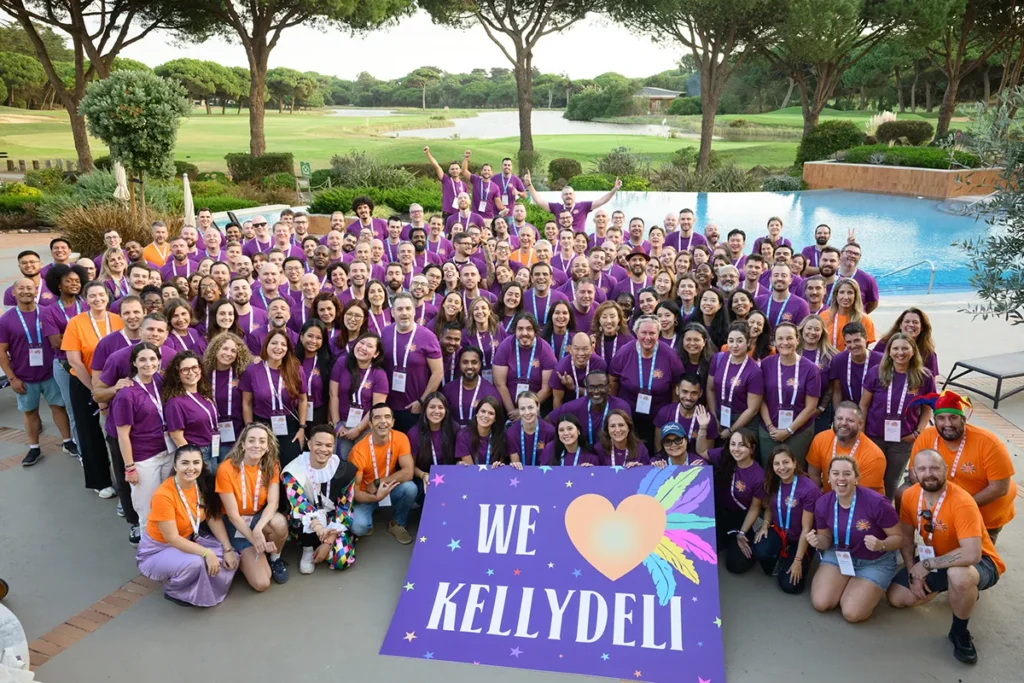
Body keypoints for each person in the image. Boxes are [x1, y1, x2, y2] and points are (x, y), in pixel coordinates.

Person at [886, 450, 1005, 664]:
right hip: (939, 558)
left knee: (960, 576)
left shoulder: (962, 501)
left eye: (935, 468)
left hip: (980, 563)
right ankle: (955, 591)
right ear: (913, 473)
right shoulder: (910, 496)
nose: (928, 473)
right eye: (922, 469)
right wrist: (914, 569)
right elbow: (905, 536)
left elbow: (972, 553)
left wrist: (928, 565)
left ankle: (959, 632)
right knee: (897, 598)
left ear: (946, 470)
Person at [136, 444, 238, 607]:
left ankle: (199, 581)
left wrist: (227, 548)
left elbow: (212, 517)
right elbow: (173, 539)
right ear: (175, 465)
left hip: (189, 539)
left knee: (230, 555)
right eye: (185, 463)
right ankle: (175, 590)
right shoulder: (163, 495)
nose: (191, 468)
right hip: (158, 549)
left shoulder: (200, 485)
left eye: (196, 462)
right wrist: (206, 553)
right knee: (196, 562)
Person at [906, 391, 1016, 542]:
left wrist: (957, 507)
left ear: (964, 419)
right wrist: (934, 501)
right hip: (942, 501)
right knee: (903, 493)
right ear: (935, 420)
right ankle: (906, 538)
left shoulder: (989, 443)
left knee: (972, 559)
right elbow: (913, 472)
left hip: (984, 511)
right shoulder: (927, 436)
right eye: (941, 418)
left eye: (953, 417)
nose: (947, 424)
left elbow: (999, 488)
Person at [805, 456, 902, 623]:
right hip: (839, 555)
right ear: (828, 478)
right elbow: (826, 538)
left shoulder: (877, 502)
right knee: (821, 603)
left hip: (875, 561)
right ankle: (849, 584)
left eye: (847, 473)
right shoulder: (823, 503)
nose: (840, 478)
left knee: (852, 613)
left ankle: (865, 587)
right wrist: (817, 541)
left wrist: (882, 544)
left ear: (856, 478)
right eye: (835, 473)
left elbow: (899, 538)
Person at [0, 278, 74, 467]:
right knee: (30, 411)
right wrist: (12, 378)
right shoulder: (6, 320)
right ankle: (34, 447)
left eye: (29, 288)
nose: (26, 291)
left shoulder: (48, 312)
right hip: (24, 375)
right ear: (13, 293)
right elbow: (1, 352)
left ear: (36, 291)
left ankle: (68, 442)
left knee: (59, 407)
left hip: (51, 372)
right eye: (21, 288)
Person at [62, 280, 123, 497]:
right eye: (92, 296)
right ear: (85, 300)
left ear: (108, 297)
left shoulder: (118, 320)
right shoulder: (76, 323)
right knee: (89, 431)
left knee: (118, 431)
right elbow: (74, 361)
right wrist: (94, 389)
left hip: (116, 383)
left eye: (101, 295)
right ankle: (100, 480)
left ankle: (125, 479)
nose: (97, 299)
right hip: (84, 382)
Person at [860, 333, 935, 499]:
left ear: (913, 351)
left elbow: (927, 407)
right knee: (871, 477)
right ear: (889, 351)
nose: (900, 352)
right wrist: (862, 433)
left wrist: (918, 432)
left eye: (904, 348)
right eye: (895, 348)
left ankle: (887, 511)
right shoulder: (876, 372)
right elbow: (864, 404)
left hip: (903, 439)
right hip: (874, 436)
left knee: (891, 480)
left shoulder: (924, 376)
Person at [216, 424, 290, 588]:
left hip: (257, 517)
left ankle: (275, 559)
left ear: (267, 446)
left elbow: (273, 503)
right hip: (235, 523)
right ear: (243, 444)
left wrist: (258, 529)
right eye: (251, 440)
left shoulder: (272, 465)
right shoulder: (226, 469)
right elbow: (233, 515)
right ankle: (243, 554)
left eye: (262, 441)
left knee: (279, 523)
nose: (256, 445)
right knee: (262, 583)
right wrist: (253, 538)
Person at [110, 342, 172, 533]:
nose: (148, 363)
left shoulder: (160, 382)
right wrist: (129, 467)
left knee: (166, 505)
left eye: (153, 359)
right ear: (134, 363)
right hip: (145, 458)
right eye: (143, 359)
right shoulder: (127, 394)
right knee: (147, 511)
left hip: (167, 452)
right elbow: (122, 434)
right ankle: (149, 554)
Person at [692, 417, 766, 575]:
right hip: (718, 513)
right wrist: (703, 428)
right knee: (698, 552)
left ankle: (739, 540)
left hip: (741, 518)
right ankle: (725, 539)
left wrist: (742, 533)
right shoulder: (723, 455)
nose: (736, 449)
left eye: (742, 445)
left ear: (752, 449)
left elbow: (754, 508)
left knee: (736, 566)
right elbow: (701, 451)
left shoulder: (758, 475)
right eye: (733, 444)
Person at [281, 425, 358, 575]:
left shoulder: (345, 470)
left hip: (332, 519)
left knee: (341, 561)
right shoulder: (293, 470)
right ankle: (308, 547)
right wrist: (318, 528)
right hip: (307, 521)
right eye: (318, 444)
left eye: (328, 445)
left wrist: (329, 541)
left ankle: (327, 545)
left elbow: (345, 507)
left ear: (333, 447)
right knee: (298, 518)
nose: (323, 449)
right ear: (309, 445)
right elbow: (299, 505)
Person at [751, 445, 820, 594]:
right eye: (777, 464)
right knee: (760, 548)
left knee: (790, 586)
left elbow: (806, 529)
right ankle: (779, 560)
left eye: (786, 462)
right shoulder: (773, 481)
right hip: (780, 531)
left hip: (801, 537)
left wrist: (797, 561)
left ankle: (793, 559)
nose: (782, 468)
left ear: (794, 463)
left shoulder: (809, 490)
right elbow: (770, 506)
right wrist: (765, 524)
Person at [609, 315, 684, 449]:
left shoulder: (669, 355)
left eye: (652, 333)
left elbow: (675, 386)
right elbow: (613, 380)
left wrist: (671, 412)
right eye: (643, 333)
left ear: (658, 334)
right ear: (636, 333)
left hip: (658, 415)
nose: (647, 337)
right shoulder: (624, 352)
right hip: (628, 415)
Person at [348, 403, 417, 543]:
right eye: (377, 418)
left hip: (386, 486)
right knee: (358, 527)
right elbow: (354, 492)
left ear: (392, 422)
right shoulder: (358, 451)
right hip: (366, 493)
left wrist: (378, 482)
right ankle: (369, 520)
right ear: (370, 424)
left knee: (410, 488)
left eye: (387, 417)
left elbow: (408, 472)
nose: (383, 421)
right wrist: (375, 498)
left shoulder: (400, 438)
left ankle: (397, 523)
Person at [240, 330, 308, 466]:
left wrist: (302, 428)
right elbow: (247, 403)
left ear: (288, 348)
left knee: (290, 468)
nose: (278, 347)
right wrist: (249, 429)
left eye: (283, 344)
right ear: (266, 345)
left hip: (289, 425)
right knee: (265, 468)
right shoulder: (252, 370)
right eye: (274, 343)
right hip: (262, 424)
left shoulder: (295, 369)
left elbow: (302, 399)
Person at [758, 322, 820, 468]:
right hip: (769, 430)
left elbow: (811, 407)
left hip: (798, 431)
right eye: (780, 339)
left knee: (794, 470)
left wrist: (789, 430)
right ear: (774, 341)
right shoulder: (766, 364)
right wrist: (771, 427)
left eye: (789, 338)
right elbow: (760, 399)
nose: (784, 343)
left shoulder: (811, 369)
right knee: (770, 470)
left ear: (797, 340)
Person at [42, 263, 88, 454]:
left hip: (89, 363)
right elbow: (56, 342)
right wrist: (85, 339)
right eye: (68, 281)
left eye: (77, 280)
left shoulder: (86, 305)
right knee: (74, 409)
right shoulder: (49, 311)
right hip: (64, 365)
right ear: (58, 285)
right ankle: (81, 448)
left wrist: (71, 338)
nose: (74, 284)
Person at [381, 293, 444, 432]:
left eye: (408, 309)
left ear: (414, 311)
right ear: (392, 312)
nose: (404, 313)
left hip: (414, 407)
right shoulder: (385, 333)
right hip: (388, 407)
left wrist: (422, 401)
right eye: (400, 309)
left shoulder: (428, 336)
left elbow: (438, 373)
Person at [330, 332, 389, 460]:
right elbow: (333, 395)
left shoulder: (379, 374)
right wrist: (337, 424)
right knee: (341, 462)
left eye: (369, 346)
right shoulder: (342, 363)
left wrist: (359, 429)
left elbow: (376, 408)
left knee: (361, 462)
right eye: (361, 343)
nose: (363, 347)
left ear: (376, 354)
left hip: (366, 425)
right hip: (342, 425)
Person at [806, 401, 886, 495]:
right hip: (829, 499)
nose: (843, 423)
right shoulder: (820, 439)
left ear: (860, 424)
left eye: (850, 420)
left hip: (863, 503)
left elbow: (863, 496)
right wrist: (818, 501)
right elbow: (814, 475)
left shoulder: (874, 455)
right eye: (839, 418)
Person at [706, 322, 763, 441]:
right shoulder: (718, 359)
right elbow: (710, 389)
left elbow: (752, 410)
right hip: (719, 414)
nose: (734, 345)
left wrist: (732, 430)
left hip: (743, 421)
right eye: (731, 341)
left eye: (739, 341)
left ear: (748, 342)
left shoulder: (755, 371)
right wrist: (714, 417)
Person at [492, 313, 556, 420]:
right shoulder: (505, 346)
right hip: (509, 408)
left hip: (535, 408)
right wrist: (513, 413)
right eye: (520, 329)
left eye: (529, 329)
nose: (524, 333)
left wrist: (524, 411)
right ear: (515, 331)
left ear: (535, 331)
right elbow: (500, 384)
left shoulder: (545, 349)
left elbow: (547, 389)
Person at [163, 351, 220, 470]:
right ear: (177, 374)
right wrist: (192, 461)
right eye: (185, 369)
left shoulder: (203, 394)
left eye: (195, 367)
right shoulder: (175, 402)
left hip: (213, 448)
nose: (191, 373)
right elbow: (176, 436)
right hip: (197, 453)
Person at [203, 332, 250, 460]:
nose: (228, 354)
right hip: (209, 435)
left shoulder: (242, 374)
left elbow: (248, 403)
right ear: (215, 349)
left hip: (235, 434)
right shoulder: (203, 374)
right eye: (224, 348)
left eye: (233, 351)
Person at [654, 373, 716, 456]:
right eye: (685, 391)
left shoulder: (708, 418)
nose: (688, 397)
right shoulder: (665, 413)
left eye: (694, 393)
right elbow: (659, 448)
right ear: (677, 390)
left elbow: (708, 454)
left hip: (696, 465)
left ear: (700, 393)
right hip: (669, 464)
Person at [797, 314, 837, 432]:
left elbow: (832, 387)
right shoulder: (791, 352)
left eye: (817, 329)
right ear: (802, 329)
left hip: (819, 413)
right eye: (809, 328)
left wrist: (821, 408)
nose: (812, 332)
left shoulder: (831, 356)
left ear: (823, 333)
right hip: (793, 411)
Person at [828, 321, 881, 407]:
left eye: (857, 341)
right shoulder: (838, 360)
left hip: (873, 410)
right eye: (849, 342)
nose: (853, 345)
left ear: (866, 339)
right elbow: (837, 391)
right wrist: (838, 415)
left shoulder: (880, 360)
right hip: (850, 410)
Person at [877, 307, 939, 377]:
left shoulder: (928, 353)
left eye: (915, 322)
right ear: (900, 325)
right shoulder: (884, 343)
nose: (911, 325)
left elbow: (931, 383)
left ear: (922, 327)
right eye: (907, 321)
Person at [455, 396, 507, 466]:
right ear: (477, 413)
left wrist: (499, 465)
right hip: (472, 475)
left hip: (493, 475)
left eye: (491, 413)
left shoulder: (501, 436)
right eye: (483, 411)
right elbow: (471, 469)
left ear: (495, 418)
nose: (486, 416)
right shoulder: (463, 436)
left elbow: (499, 463)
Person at [590, 301, 633, 365]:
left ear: (619, 319)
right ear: (599, 319)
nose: (609, 321)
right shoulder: (591, 340)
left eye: (612, 317)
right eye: (604, 317)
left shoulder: (629, 341)